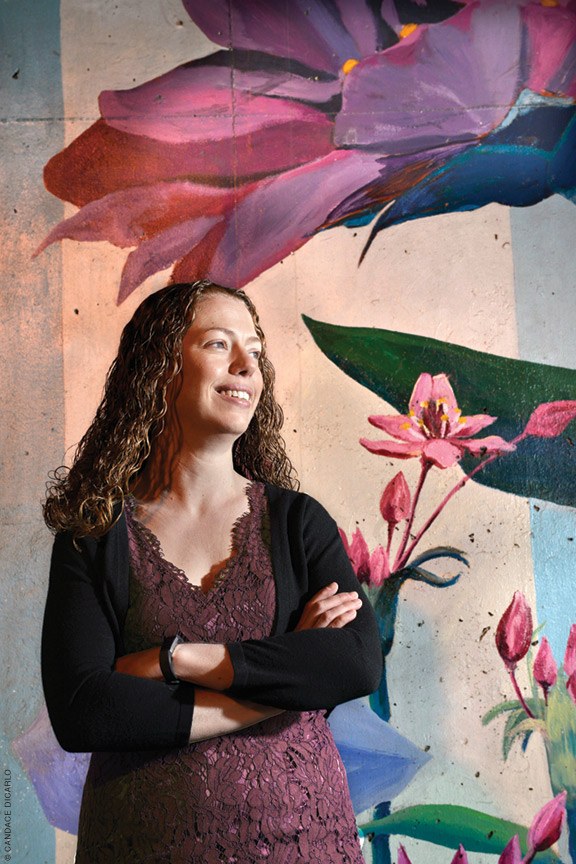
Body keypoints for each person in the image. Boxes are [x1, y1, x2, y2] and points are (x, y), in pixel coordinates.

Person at [41, 281, 382, 863]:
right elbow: (84, 711)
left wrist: (174, 660)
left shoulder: (298, 522)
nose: (249, 365)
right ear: (160, 367)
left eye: (256, 349)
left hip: (304, 843)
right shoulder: (95, 532)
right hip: (141, 847)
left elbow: (353, 662)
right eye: (220, 344)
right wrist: (284, 678)